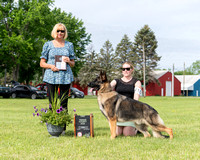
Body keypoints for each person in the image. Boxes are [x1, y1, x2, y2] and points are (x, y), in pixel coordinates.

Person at [40, 23, 75, 113]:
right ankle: (52, 125)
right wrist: (51, 66)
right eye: (58, 31)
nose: (60, 33)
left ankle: (62, 125)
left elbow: (73, 63)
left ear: (65, 32)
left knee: (64, 103)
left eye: (62, 31)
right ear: (54, 32)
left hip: (65, 76)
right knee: (52, 103)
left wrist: (69, 61)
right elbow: (42, 63)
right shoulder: (48, 45)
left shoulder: (69, 45)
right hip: (51, 76)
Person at [110, 61, 142, 137]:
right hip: (118, 111)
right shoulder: (116, 81)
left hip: (130, 110)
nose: (125, 71)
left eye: (127, 69)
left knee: (127, 134)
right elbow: (107, 88)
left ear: (132, 69)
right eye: (123, 69)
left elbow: (136, 98)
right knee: (117, 133)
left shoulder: (137, 82)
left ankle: (138, 129)